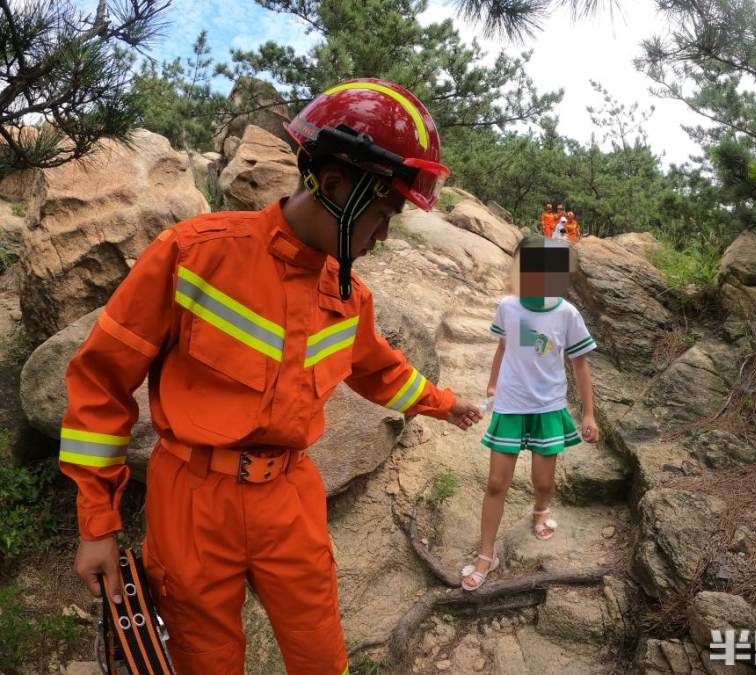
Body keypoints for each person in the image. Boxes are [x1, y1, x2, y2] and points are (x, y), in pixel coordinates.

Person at [60, 78, 483, 674]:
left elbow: (378, 370)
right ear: (334, 186)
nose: (385, 234)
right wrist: (97, 523)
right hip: (191, 503)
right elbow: (102, 382)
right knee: (206, 660)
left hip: (290, 498)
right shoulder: (194, 254)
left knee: (320, 653)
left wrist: (442, 403)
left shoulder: (348, 295)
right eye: (383, 213)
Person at [461, 236, 599, 591]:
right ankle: (486, 555)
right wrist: (492, 384)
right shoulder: (508, 307)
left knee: (543, 480)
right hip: (511, 405)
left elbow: (580, 366)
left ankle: (541, 509)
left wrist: (588, 414)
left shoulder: (567, 313)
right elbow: (503, 347)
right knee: (496, 483)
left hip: (547, 406)